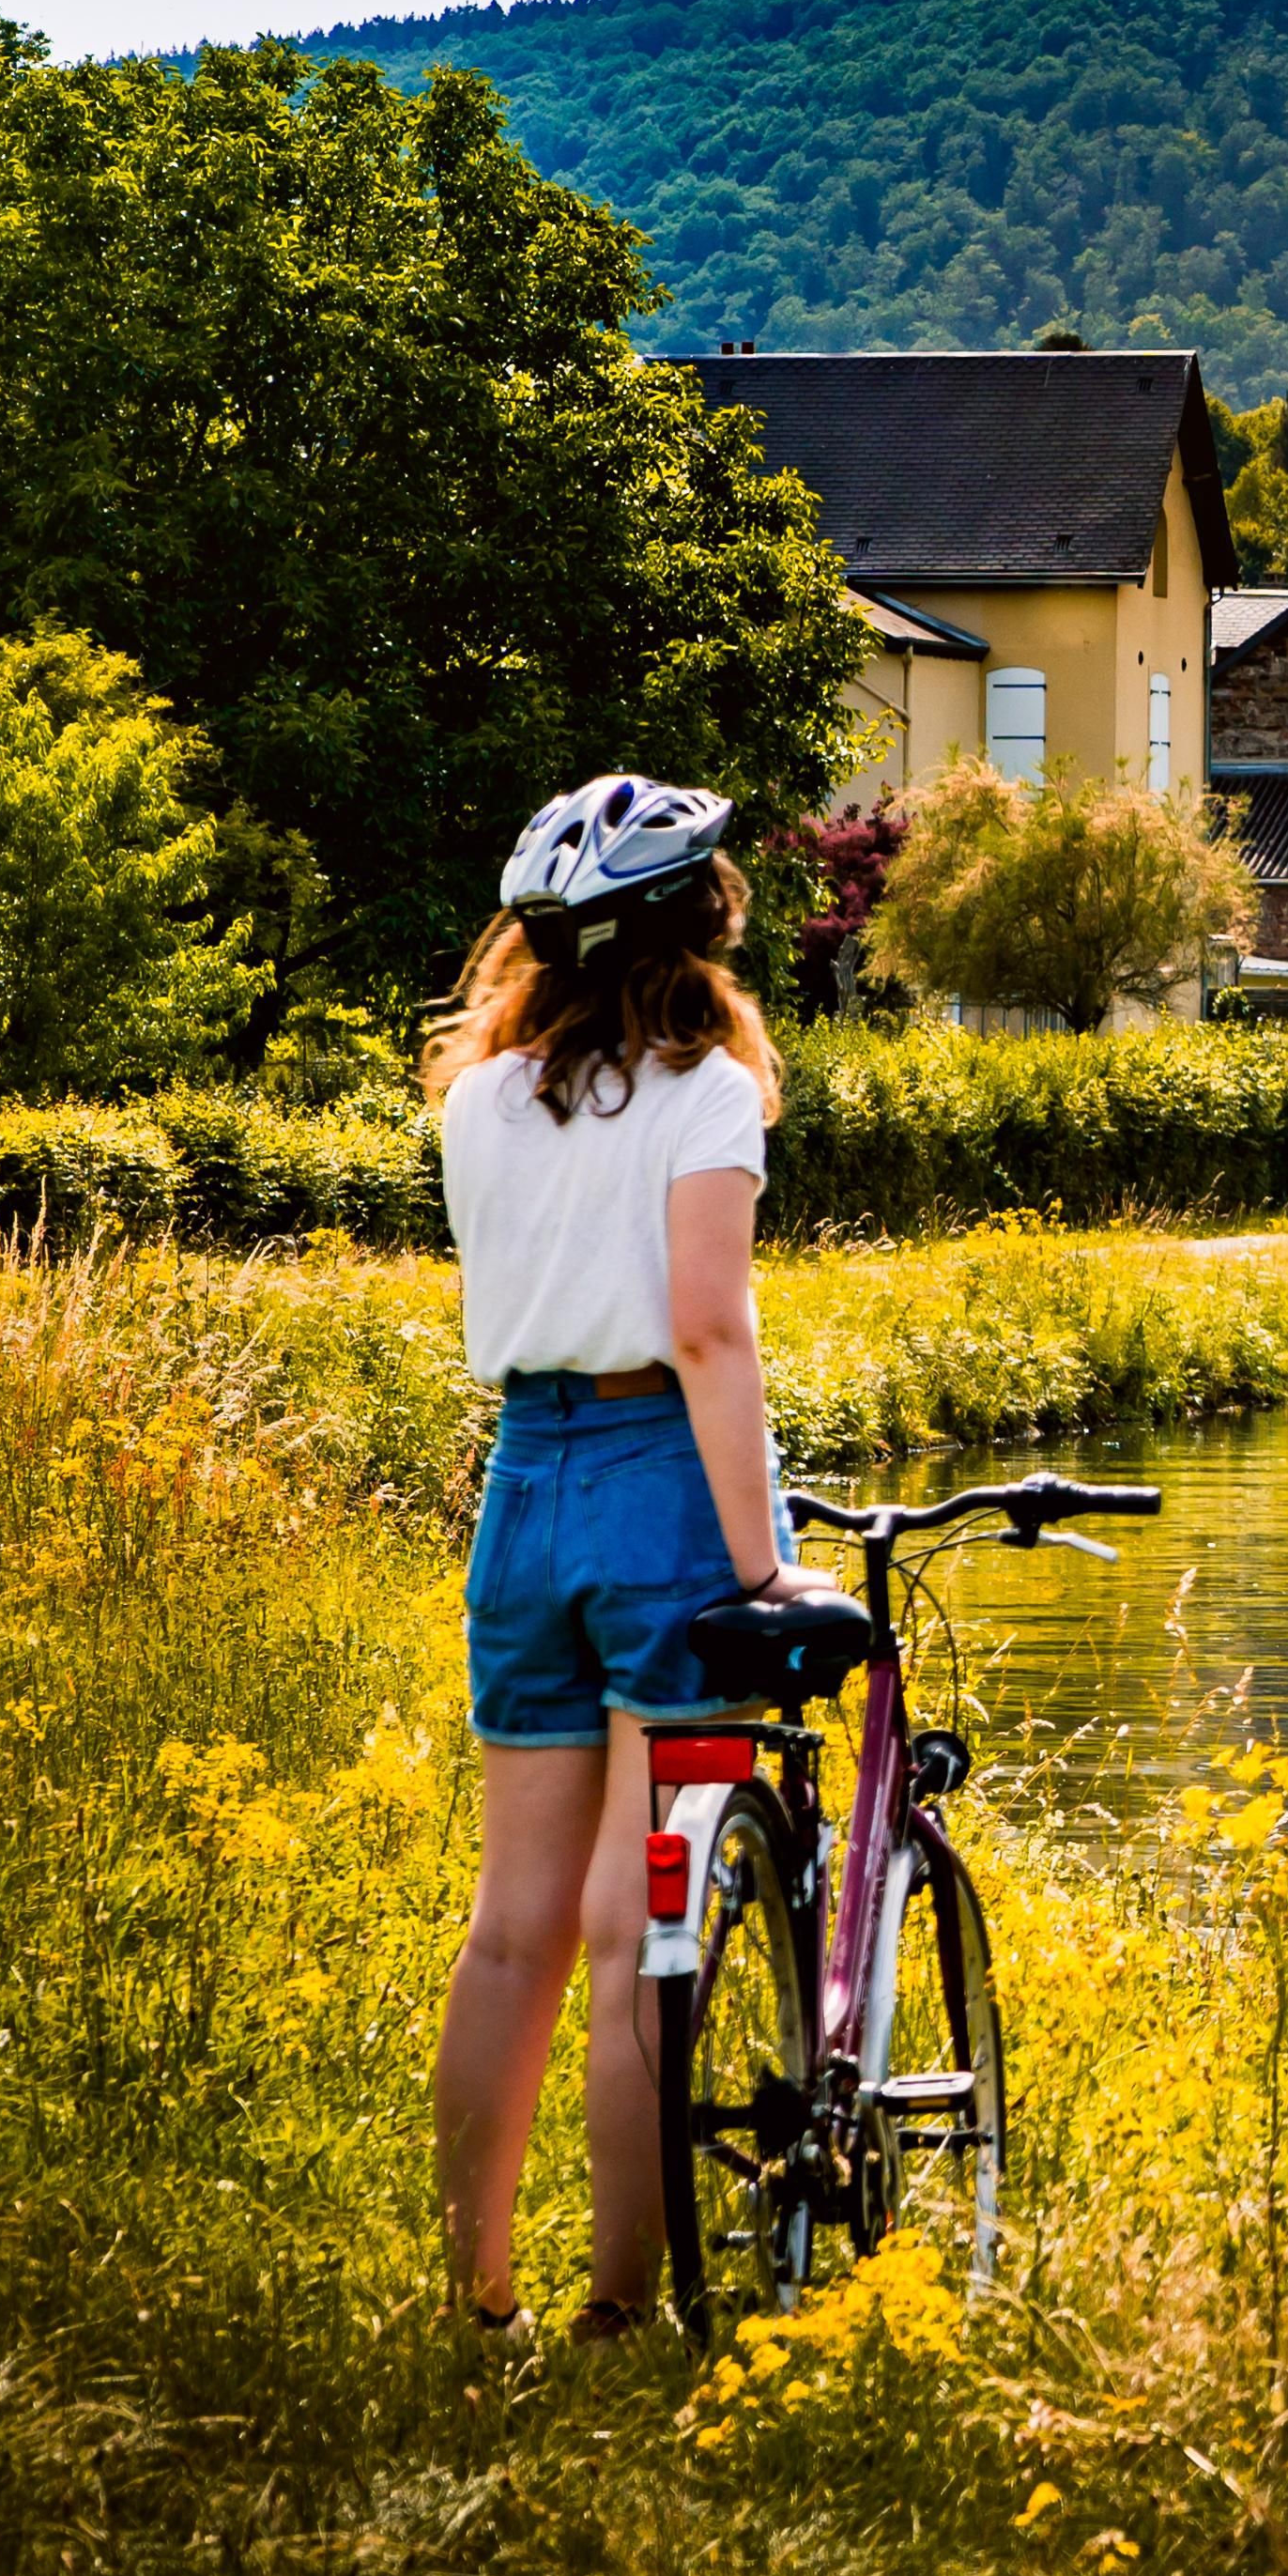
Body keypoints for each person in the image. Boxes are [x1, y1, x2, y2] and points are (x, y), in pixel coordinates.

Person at [418, 774, 820, 2339]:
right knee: (639, 1925)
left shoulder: (477, 1098)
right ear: (694, 922)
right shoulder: (704, 1085)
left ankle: (475, 2301)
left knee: (511, 1921)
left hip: (524, 1481)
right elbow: (709, 1329)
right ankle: (618, 2310)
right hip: (660, 1485)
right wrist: (762, 1558)